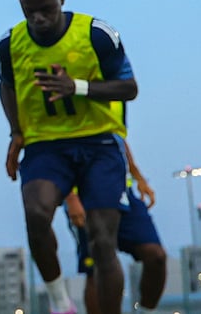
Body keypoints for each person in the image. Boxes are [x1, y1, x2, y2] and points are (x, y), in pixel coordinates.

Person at [0, 0, 139, 314]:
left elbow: (129, 89)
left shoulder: (97, 35)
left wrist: (76, 86)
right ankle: (61, 302)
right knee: (35, 211)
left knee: (102, 241)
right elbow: (8, 87)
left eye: (46, 8)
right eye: (29, 10)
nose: (38, 18)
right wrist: (16, 132)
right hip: (47, 145)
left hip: (99, 143)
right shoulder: (10, 43)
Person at [63, 119, 166, 313]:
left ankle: (145, 310)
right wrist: (70, 197)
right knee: (96, 266)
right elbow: (56, 150)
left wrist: (138, 175)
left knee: (156, 255)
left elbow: (116, 137)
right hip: (85, 196)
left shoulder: (108, 96)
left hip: (120, 190)